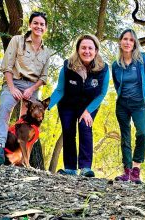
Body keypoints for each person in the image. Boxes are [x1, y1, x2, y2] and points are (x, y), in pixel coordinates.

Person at [0, 12, 51, 165]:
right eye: (35, 23)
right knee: (4, 109)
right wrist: (12, 88)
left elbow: (43, 77)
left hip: (32, 87)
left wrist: (32, 90)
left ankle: (22, 160)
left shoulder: (46, 51)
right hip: (14, 82)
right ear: (30, 25)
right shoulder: (17, 40)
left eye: (42, 24)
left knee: (26, 125)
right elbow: (7, 67)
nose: (38, 26)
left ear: (45, 28)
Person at [49, 34, 109, 177]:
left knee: (85, 127)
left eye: (90, 48)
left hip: (89, 104)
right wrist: (46, 106)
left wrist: (88, 111)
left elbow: (101, 94)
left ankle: (85, 167)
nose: (86, 51)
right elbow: (60, 89)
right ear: (77, 49)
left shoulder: (104, 68)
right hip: (68, 103)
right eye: (83, 48)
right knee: (68, 131)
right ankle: (70, 168)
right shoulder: (68, 65)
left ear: (96, 51)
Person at [112, 29, 145, 184]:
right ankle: (127, 172)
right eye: (125, 39)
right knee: (125, 137)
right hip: (122, 104)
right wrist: (123, 96)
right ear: (120, 42)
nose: (127, 42)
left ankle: (136, 171)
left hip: (139, 104)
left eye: (131, 39)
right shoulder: (116, 65)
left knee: (142, 134)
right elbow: (117, 85)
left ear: (135, 42)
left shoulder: (143, 60)